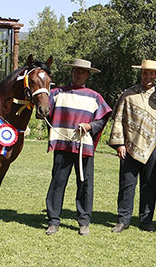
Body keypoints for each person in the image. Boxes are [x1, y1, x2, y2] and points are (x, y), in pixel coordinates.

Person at [45, 59, 112, 236]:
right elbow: (43, 109)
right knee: (58, 182)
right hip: (62, 143)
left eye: (82, 72)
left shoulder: (94, 97)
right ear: (71, 72)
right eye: (76, 71)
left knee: (85, 184)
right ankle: (53, 220)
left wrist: (90, 127)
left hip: (84, 146)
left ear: (88, 75)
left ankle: (84, 221)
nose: (78, 74)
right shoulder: (57, 93)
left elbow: (103, 118)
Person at [108, 59, 156, 233]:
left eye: (151, 73)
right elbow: (118, 119)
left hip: (154, 146)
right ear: (141, 74)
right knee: (127, 184)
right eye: (145, 73)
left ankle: (146, 220)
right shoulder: (128, 94)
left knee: (150, 184)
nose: (148, 76)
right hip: (129, 145)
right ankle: (123, 219)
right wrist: (119, 143)